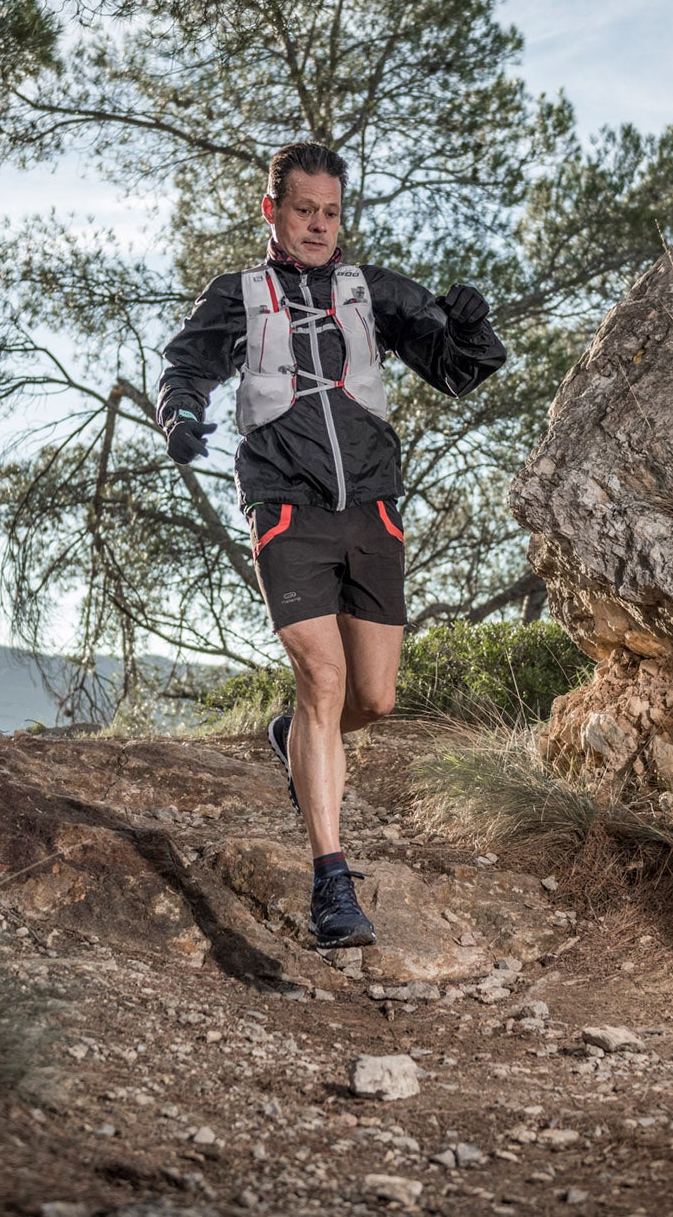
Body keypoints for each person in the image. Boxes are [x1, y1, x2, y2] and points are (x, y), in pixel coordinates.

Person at [154, 142, 507, 949]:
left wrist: (474, 324)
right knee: (322, 676)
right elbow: (185, 365)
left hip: (371, 506)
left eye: (331, 212)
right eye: (303, 209)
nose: (318, 225)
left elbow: (457, 369)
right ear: (271, 209)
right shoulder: (238, 294)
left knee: (373, 699)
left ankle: (295, 740)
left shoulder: (369, 290)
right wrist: (180, 417)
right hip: (287, 506)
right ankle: (333, 885)